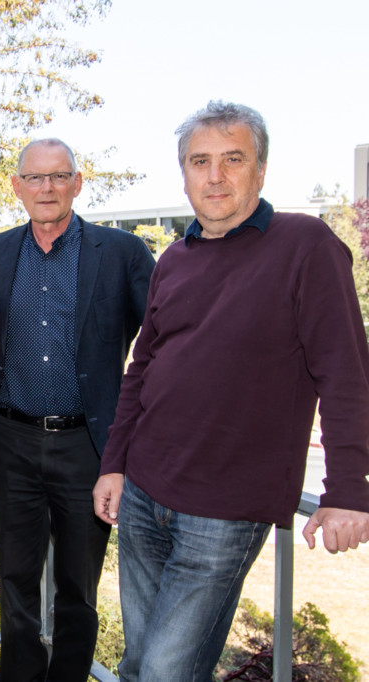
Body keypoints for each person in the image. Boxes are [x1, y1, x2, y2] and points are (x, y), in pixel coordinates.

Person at [93, 101, 369, 681]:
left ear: (261, 170)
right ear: (184, 174)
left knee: (166, 673)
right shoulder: (174, 258)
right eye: (200, 161)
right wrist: (114, 465)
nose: (215, 176)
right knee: (138, 664)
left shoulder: (307, 245)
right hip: (143, 493)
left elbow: (346, 375)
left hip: (224, 512)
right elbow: (142, 368)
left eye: (233, 159)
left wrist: (347, 490)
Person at [0, 139, 154, 681]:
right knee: (14, 585)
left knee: (78, 587)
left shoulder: (122, 253)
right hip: (8, 444)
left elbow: (163, 341)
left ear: (77, 182)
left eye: (58, 176)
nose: (46, 188)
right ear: (16, 186)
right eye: (35, 177)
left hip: (87, 448)